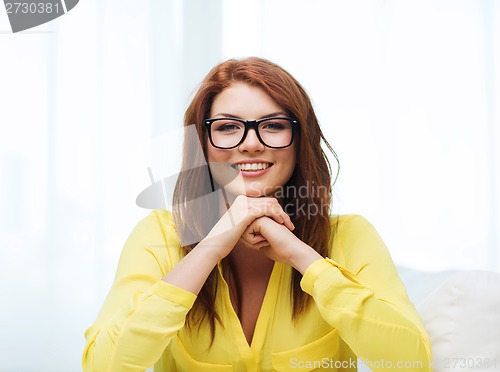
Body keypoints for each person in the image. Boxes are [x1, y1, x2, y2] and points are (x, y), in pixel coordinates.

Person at [83, 57, 432, 371]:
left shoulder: (350, 236)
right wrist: (210, 248)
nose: (251, 143)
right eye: (228, 127)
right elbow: (105, 366)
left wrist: (300, 255)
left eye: (273, 125)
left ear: (300, 140)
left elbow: (410, 361)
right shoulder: (160, 235)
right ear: (202, 145)